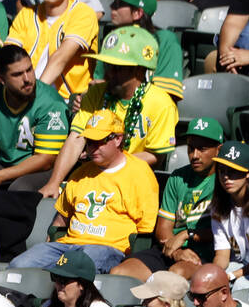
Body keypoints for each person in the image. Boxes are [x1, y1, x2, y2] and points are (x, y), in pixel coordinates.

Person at [9, 111, 159, 273]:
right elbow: (61, 221)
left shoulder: (139, 172)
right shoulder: (80, 174)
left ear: (117, 139)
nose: (92, 148)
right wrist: (48, 245)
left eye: (99, 141)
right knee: (18, 267)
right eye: (89, 142)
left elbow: (145, 230)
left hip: (108, 248)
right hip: (69, 245)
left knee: (77, 269)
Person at [41, 26, 177, 198]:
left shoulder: (161, 102)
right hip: (91, 174)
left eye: (117, 67)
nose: (109, 73)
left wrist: (111, 163)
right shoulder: (97, 93)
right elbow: (76, 139)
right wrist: (54, 183)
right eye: (107, 65)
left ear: (139, 70)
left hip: (132, 183)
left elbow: (155, 157)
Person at [112, 117, 223, 281]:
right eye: (191, 148)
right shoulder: (178, 176)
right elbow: (163, 228)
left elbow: (225, 232)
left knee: (173, 276)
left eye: (202, 149)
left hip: (205, 252)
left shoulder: (225, 181)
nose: (194, 155)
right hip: (171, 249)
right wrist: (177, 251)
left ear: (218, 150)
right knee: (119, 273)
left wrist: (187, 235)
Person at [0, 44, 69, 193]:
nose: (27, 79)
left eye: (29, 70)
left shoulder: (51, 103)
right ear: (1, 78)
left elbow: (45, 160)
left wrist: (0, 176)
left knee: (19, 189)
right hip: (3, 166)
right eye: (17, 74)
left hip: (43, 170)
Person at [5, 0, 99, 102]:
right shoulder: (27, 14)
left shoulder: (83, 14)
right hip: (23, 94)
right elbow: (7, 59)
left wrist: (33, 100)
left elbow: (60, 58)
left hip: (68, 101)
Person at [99, 0, 184, 99]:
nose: (112, 7)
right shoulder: (112, 38)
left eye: (119, 3)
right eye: (114, 2)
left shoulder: (164, 40)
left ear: (137, 13)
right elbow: (99, 81)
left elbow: (167, 96)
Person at [209, 141, 249, 285]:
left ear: (248, 173)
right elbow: (222, 255)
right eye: (222, 170)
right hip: (242, 265)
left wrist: (233, 275)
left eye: (233, 171)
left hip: (248, 271)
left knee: (240, 284)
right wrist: (213, 275)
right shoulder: (218, 206)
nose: (226, 177)